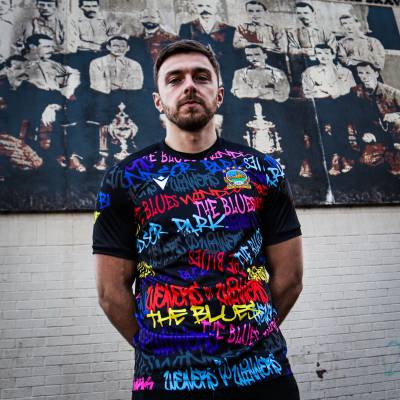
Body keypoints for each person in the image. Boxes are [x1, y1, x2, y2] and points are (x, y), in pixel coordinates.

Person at [93, 39, 303, 399]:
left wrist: (250, 337)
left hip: (263, 378)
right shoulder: (124, 179)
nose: (189, 86)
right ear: (158, 101)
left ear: (219, 95)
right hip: (166, 383)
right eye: (175, 79)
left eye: (201, 77)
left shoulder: (262, 170)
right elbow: (111, 293)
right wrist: (160, 349)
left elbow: (290, 278)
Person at [354, 62, 400, 175]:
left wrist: (397, 115)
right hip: (376, 136)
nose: (364, 76)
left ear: (376, 73)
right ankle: (391, 159)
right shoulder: (356, 93)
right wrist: (365, 133)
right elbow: (355, 117)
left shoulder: (392, 93)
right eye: (360, 73)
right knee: (367, 159)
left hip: (395, 135)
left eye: (367, 72)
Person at [287, 2, 336, 90]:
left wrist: (317, 52)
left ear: (314, 13)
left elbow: (333, 49)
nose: (303, 16)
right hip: (305, 64)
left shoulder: (326, 31)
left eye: (306, 13)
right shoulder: (294, 32)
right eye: (299, 13)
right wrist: (305, 51)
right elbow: (292, 50)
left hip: (325, 63)